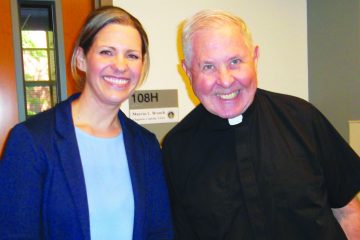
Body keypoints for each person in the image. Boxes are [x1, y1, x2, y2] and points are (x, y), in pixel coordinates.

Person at [162, 9, 360, 239]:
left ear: (255, 57)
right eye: (208, 66)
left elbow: (347, 213)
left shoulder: (302, 118)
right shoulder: (177, 148)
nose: (225, 80)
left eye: (235, 61)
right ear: (187, 71)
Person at [0, 6, 173, 240]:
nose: (120, 65)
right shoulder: (32, 141)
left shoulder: (146, 145)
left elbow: (159, 232)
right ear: (82, 59)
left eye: (132, 55)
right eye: (106, 52)